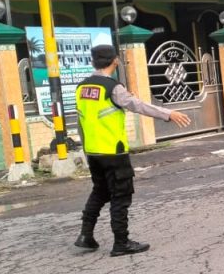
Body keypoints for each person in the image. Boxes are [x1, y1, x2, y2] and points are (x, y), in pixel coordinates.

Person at [74, 44, 190, 256]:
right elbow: (137, 105)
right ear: (115, 61)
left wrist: (86, 147)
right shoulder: (112, 87)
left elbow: (82, 120)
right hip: (113, 151)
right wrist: (168, 113)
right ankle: (121, 243)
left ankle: (85, 235)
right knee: (120, 196)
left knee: (99, 191)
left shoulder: (82, 87)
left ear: (93, 62)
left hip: (92, 151)